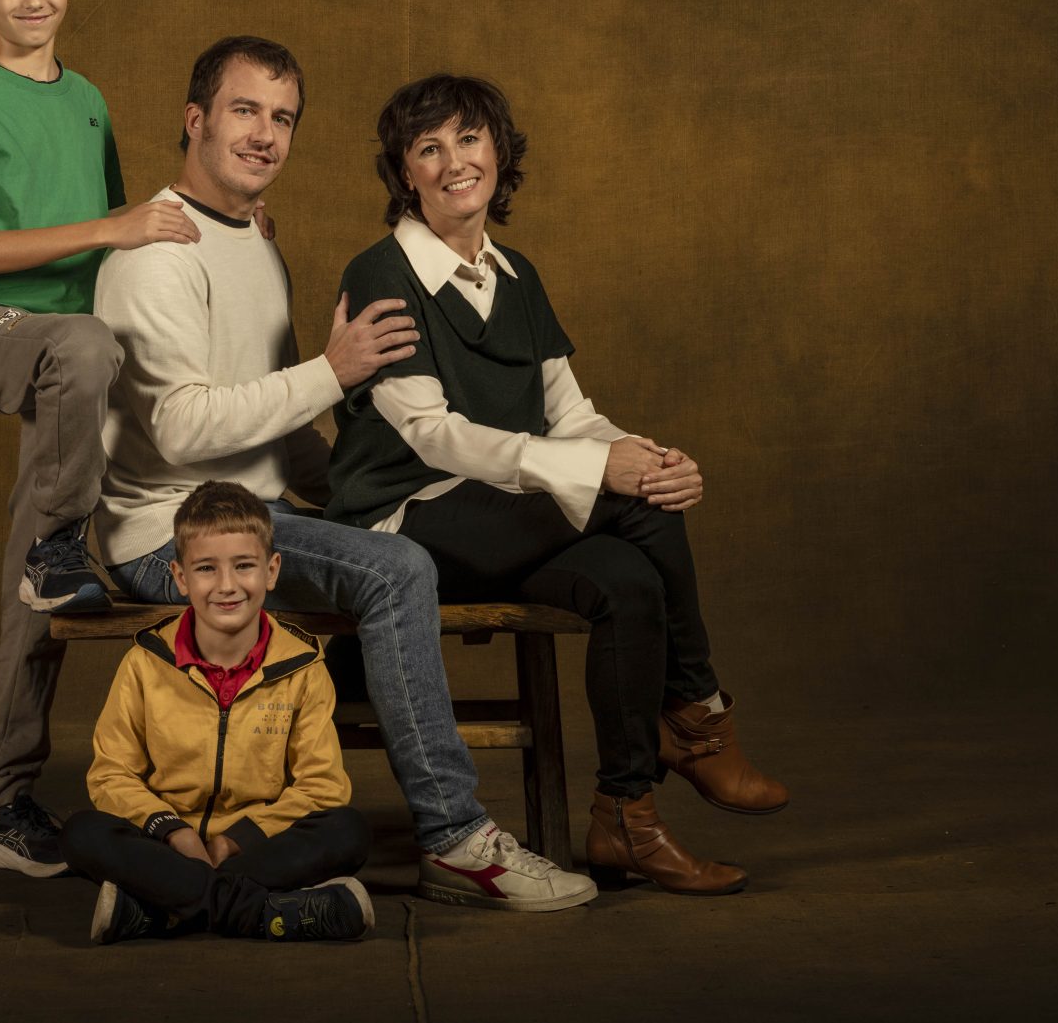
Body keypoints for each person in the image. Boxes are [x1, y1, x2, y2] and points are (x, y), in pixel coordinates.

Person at [92, 37, 597, 912]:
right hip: (169, 533)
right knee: (397, 568)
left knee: (395, 534)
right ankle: (455, 837)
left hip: (262, 512)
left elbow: (281, 430)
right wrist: (333, 370)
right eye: (245, 110)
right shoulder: (156, 254)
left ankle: (347, 736)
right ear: (195, 119)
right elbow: (178, 428)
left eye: (283, 117)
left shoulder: (254, 240)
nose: (266, 134)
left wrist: (359, 495)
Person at [326, 74, 790, 896]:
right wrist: (604, 472)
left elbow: (570, 413)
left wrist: (647, 455)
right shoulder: (381, 273)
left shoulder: (518, 276)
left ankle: (625, 819)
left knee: (629, 577)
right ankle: (698, 714)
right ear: (404, 173)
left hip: (506, 517)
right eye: (429, 148)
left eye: (469, 138)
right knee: (631, 503)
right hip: (406, 523)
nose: (454, 161)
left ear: (499, 151)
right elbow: (433, 434)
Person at [0, 0, 205, 876]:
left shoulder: (88, 100)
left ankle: (4, 803)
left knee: (35, 571)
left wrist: (217, 224)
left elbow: (117, 235)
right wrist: (115, 229)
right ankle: (60, 545)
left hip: (85, 355)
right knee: (79, 351)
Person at [60, 482, 374, 943]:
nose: (227, 585)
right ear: (181, 577)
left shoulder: (303, 666)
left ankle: (163, 908)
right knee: (81, 833)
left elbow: (322, 786)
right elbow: (112, 775)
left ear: (271, 570)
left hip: (257, 847)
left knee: (348, 831)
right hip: (166, 845)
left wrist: (235, 839)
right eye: (206, 568)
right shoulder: (146, 662)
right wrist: (175, 833)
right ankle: (258, 912)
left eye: (244, 566)